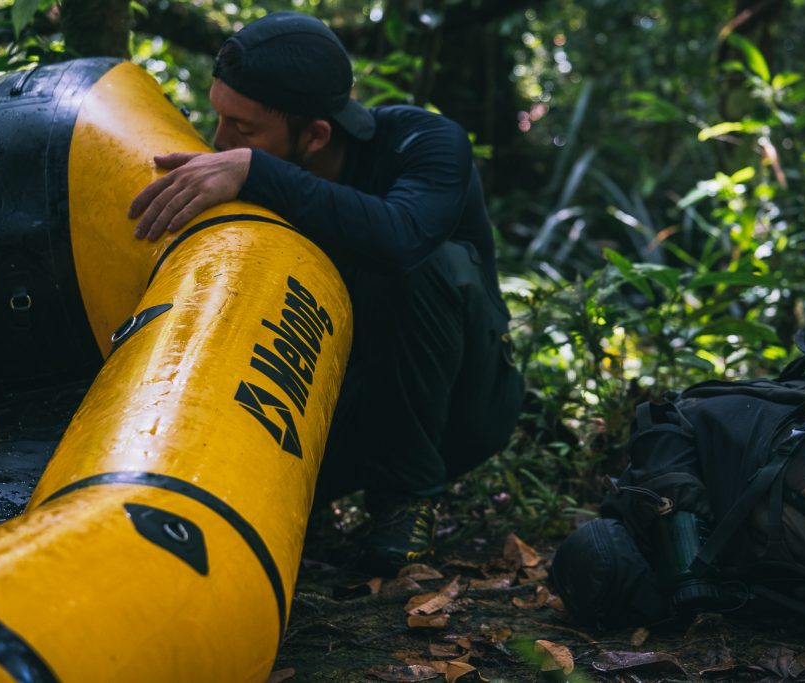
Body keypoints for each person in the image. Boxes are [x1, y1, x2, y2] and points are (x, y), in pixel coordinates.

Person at [129, 11, 523, 574]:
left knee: (423, 265)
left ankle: (404, 502)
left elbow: (400, 238)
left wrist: (256, 171)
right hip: (330, 399)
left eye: (242, 129)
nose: (221, 142)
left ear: (315, 134)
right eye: (220, 119)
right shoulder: (242, 166)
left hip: (464, 404)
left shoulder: (424, 142)